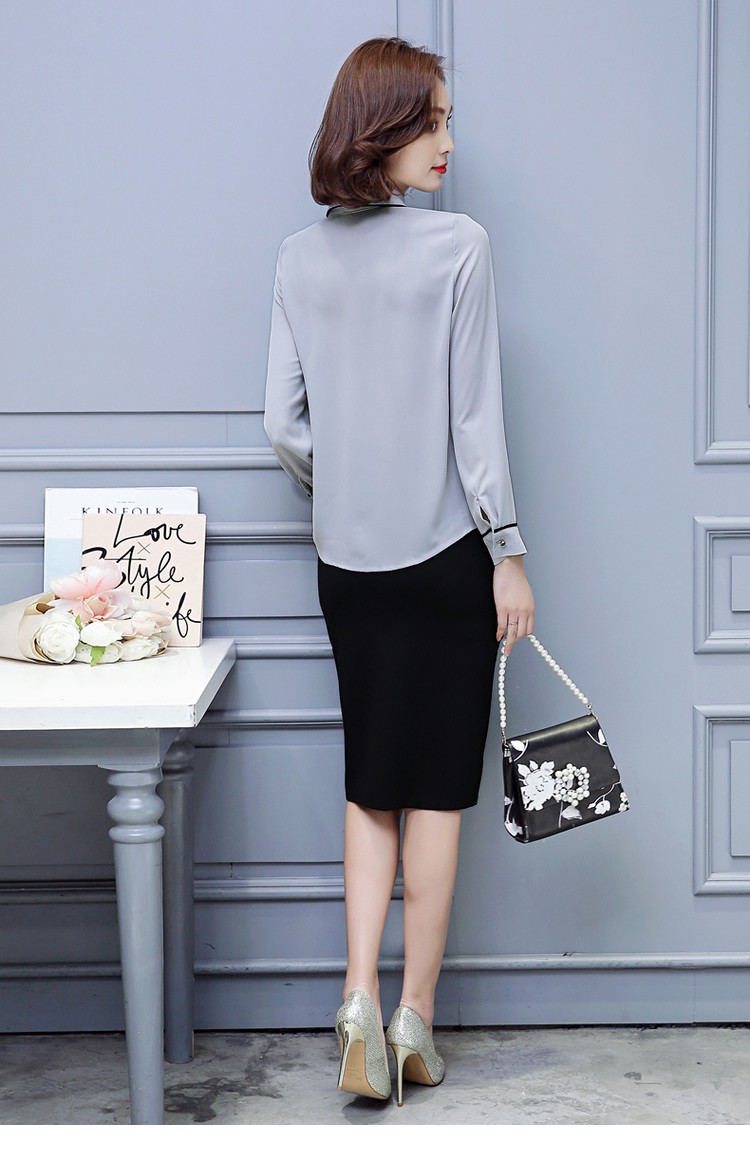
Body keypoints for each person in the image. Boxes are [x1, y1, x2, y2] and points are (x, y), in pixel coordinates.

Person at [263, 36, 534, 1107]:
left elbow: (280, 423)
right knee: (436, 794)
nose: (449, 142)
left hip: (348, 565)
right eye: (434, 121)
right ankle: (415, 1016)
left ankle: (355, 1003)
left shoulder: (297, 258)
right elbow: (477, 426)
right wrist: (508, 555)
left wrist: (342, 482)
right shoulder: (458, 246)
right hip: (446, 561)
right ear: (382, 126)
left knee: (368, 781)